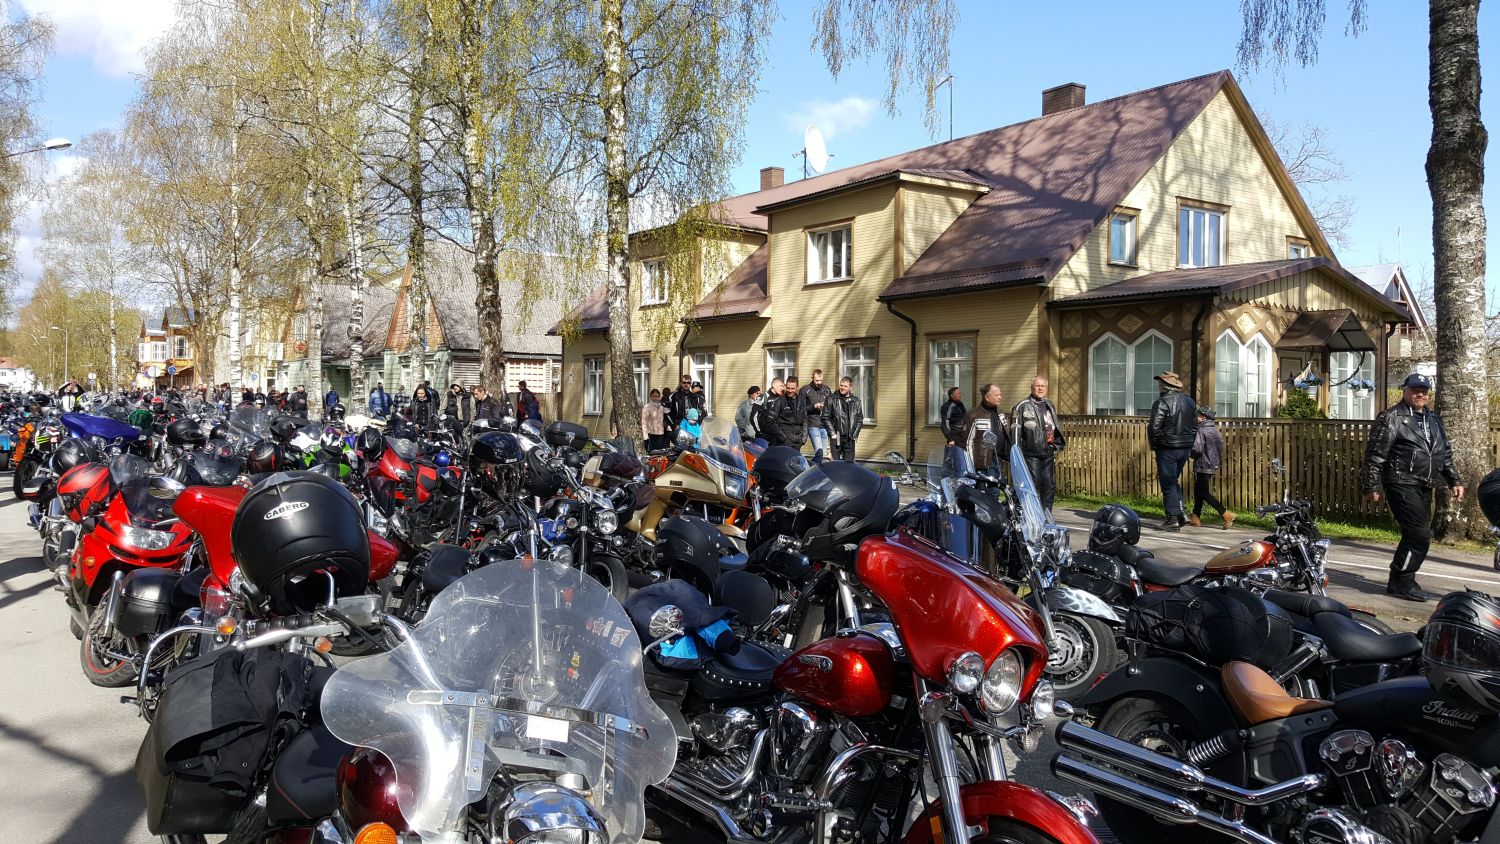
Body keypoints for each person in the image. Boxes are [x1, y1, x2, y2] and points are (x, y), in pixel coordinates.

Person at [1361, 373, 1464, 602]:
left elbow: (1444, 453)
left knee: (1414, 534)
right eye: (1415, 390)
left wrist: (1454, 480)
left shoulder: (1433, 419)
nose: (1420, 394)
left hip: (1425, 483)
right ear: (1405, 390)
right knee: (1419, 534)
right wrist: (1371, 485)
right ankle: (1403, 581)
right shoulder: (1392, 417)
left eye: (1424, 391)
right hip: (1400, 481)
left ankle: (1399, 581)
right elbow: (1375, 454)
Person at [1147, 371, 1198, 532]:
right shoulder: (1189, 402)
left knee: (1168, 484)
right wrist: (1189, 443)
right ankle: (1181, 513)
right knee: (1173, 481)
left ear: (1166, 386)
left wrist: (1155, 446)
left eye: (1161, 383)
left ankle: (1172, 519)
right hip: (1184, 447)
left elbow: (1154, 427)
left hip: (1167, 448)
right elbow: (1194, 427)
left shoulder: (1162, 402)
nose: (1159, 385)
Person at [1012, 376, 1065, 513]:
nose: (1040, 388)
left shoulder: (1049, 404)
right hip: (1031, 454)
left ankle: (1046, 517)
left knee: (1049, 486)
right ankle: (1026, 514)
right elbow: (1015, 432)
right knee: (1031, 486)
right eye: (1038, 386)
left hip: (1048, 452)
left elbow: (1054, 425)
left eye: (1043, 386)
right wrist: (1016, 453)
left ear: (1046, 388)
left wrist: (1056, 444)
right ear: (1032, 388)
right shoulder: (1022, 406)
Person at [1189, 408, 1233, 529]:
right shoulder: (1214, 431)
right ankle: (1195, 516)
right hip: (1212, 464)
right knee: (1198, 490)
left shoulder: (1201, 430)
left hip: (1202, 464)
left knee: (1203, 492)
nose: (1196, 417)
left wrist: (1191, 454)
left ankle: (1225, 513)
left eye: (1198, 415)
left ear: (1204, 418)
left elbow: (1197, 449)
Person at [961, 383, 1013, 474]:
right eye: (997, 395)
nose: (1000, 397)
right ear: (987, 397)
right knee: (988, 483)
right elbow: (967, 443)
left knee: (999, 482)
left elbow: (1005, 434)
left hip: (999, 460)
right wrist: (970, 465)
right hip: (983, 463)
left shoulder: (1001, 412)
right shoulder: (973, 415)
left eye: (1000, 395)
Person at [800, 369, 835, 463]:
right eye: (817, 380)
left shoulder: (826, 389)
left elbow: (831, 406)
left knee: (821, 454)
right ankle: (810, 466)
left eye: (821, 380)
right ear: (812, 378)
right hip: (812, 424)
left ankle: (810, 466)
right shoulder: (805, 390)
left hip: (824, 425)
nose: (819, 383)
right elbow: (800, 409)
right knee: (819, 452)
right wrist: (813, 407)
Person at [829, 376, 864, 461]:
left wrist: (855, 435)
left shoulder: (856, 401)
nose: (842, 388)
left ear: (850, 387)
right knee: (835, 464)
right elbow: (825, 417)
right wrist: (832, 433)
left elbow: (860, 420)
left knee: (849, 464)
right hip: (836, 437)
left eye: (845, 386)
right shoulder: (831, 399)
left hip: (849, 438)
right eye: (841, 385)